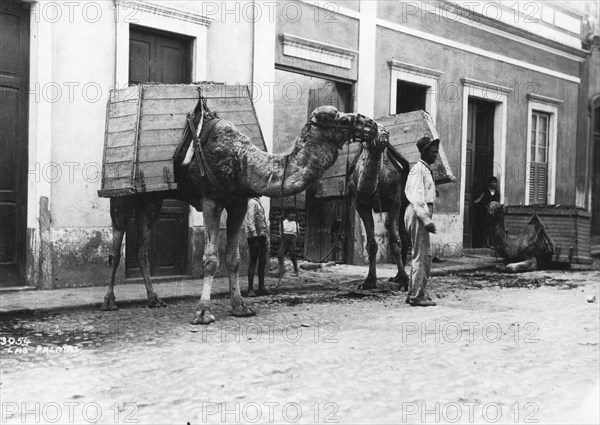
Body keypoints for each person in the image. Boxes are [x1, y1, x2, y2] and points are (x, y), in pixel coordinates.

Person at [404, 136, 440, 307]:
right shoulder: (418, 170)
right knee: (423, 256)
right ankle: (417, 296)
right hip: (418, 214)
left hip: (418, 213)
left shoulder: (423, 169)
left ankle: (412, 292)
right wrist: (426, 220)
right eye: (433, 152)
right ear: (425, 152)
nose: (436, 155)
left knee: (418, 254)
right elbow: (417, 198)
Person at [245, 197, 270, 296]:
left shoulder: (258, 202)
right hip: (254, 236)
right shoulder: (252, 202)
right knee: (253, 260)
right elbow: (250, 221)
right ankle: (250, 289)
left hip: (261, 235)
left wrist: (266, 236)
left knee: (263, 260)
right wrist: (254, 236)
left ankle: (261, 287)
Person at [474, 176, 500, 248]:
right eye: (492, 182)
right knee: (485, 228)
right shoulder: (485, 191)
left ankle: (492, 244)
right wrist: (474, 202)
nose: (493, 184)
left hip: (494, 213)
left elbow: (498, 202)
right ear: (489, 183)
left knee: (492, 228)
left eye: (494, 182)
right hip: (485, 212)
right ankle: (485, 244)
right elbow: (480, 199)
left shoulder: (497, 193)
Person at [278, 208, 299, 277]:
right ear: (287, 214)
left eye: (294, 214)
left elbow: (297, 233)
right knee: (280, 254)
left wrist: (295, 239)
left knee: (292, 254)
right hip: (284, 238)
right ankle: (281, 269)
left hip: (292, 239)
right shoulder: (283, 222)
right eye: (292, 213)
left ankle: (295, 270)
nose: (294, 215)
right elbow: (280, 232)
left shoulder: (295, 223)